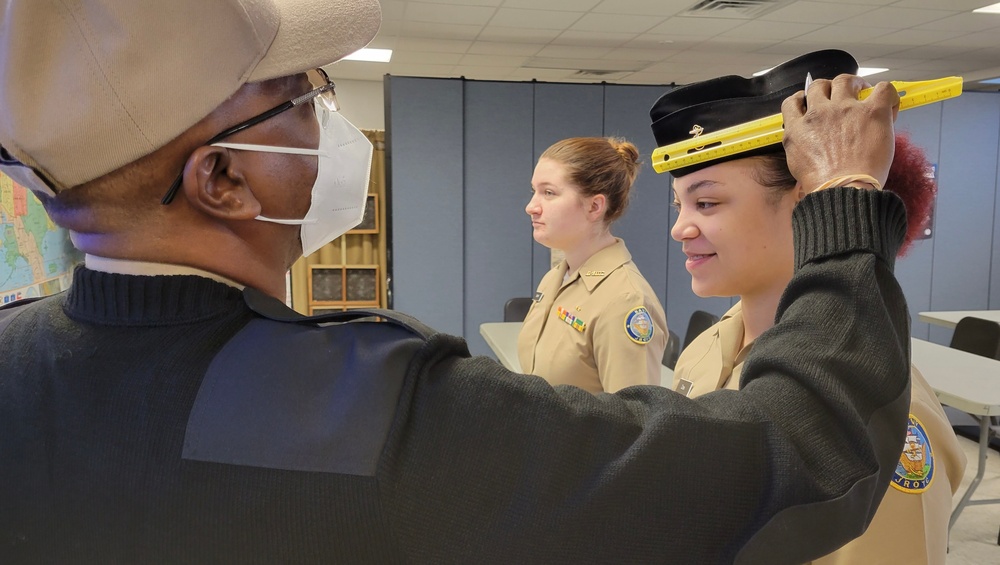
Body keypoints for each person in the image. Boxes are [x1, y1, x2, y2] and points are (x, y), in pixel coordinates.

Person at [0, 1, 911, 562]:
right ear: (225, 178)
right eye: (300, 98)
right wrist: (842, 200)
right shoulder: (366, 414)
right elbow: (799, 456)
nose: (323, 123)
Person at [658, 49, 966, 564]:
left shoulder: (882, 414)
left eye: (706, 202)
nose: (680, 227)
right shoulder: (708, 349)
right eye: (680, 205)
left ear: (810, 200)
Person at [517, 137, 668, 393]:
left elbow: (632, 424)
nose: (531, 207)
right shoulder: (556, 278)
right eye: (534, 191)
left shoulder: (625, 300)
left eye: (549, 193)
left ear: (595, 206)